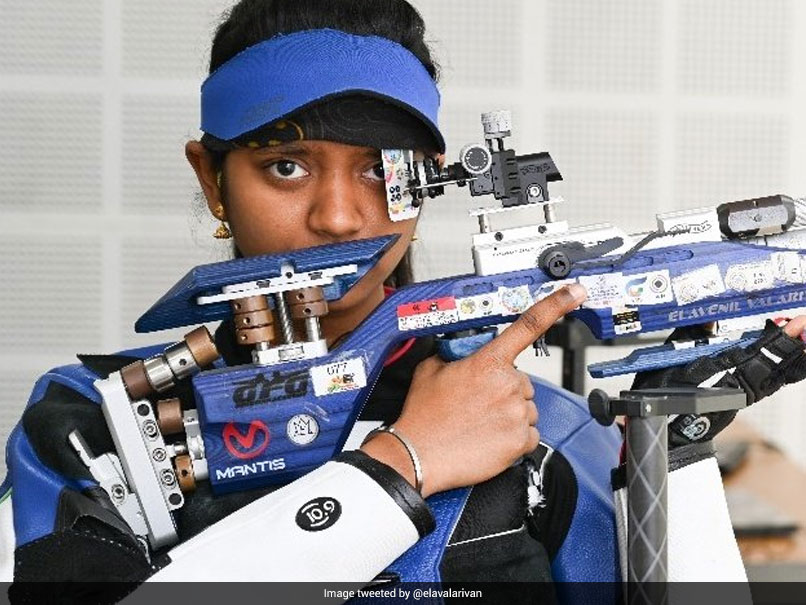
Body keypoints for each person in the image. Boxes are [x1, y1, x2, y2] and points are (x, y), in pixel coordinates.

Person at [2, 0, 806, 602]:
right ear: (211, 178)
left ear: (427, 178)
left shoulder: (532, 427)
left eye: (381, 170)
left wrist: (675, 445)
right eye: (286, 165)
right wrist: (400, 468)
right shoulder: (88, 426)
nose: (340, 216)